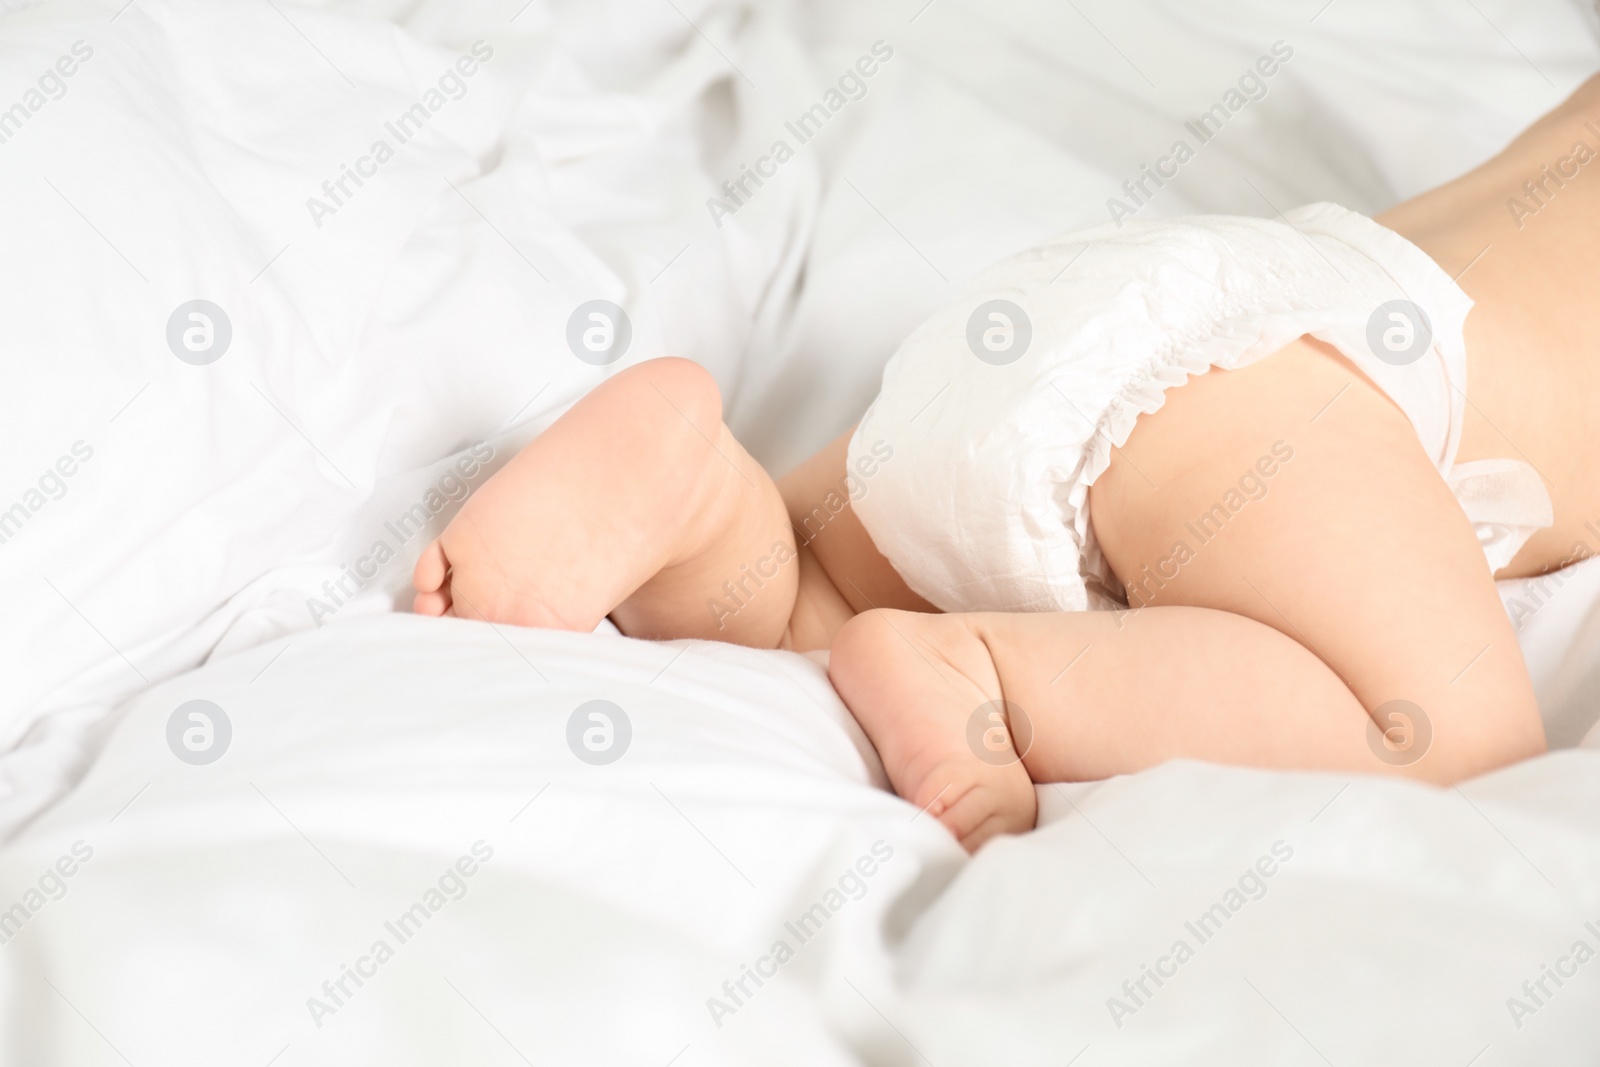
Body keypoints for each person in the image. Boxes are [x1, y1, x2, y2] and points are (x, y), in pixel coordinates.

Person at [412, 76, 1600, 851]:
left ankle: (699, 496)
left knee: (810, 597)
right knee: (1452, 749)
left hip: (1113, 307)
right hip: (1298, 383)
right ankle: (979, 665)